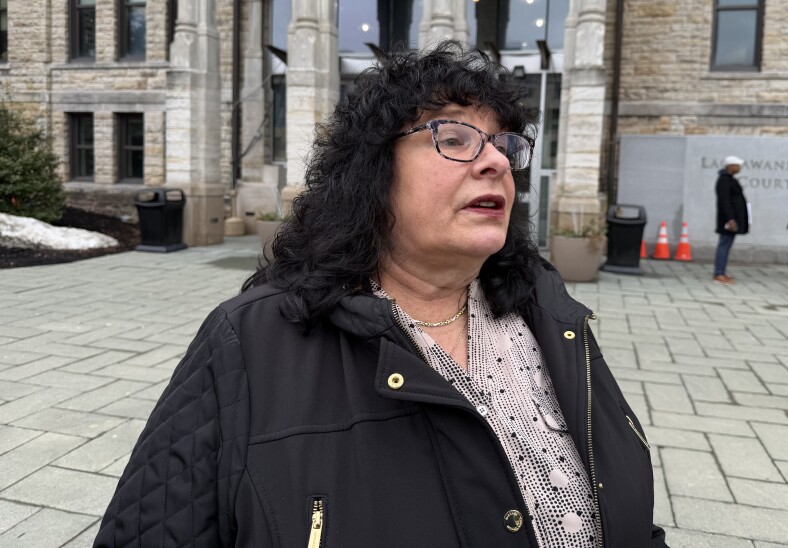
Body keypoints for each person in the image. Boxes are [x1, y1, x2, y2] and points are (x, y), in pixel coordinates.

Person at [94, 43, 667, 547]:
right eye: (456, 137)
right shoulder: (248, 343)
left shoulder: (551, 315)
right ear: (372, 171)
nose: (496, 161)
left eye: (504, 145)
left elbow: (632, 518)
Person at [713, 155, 749, 284]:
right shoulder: (724, 180)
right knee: (724, 245)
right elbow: (724, 201)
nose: (739, 168)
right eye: (737, 165)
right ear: (731, 166)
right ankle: (719, 273)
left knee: (726, 245)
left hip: (733, 219)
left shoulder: (730, 179)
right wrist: (730, 219)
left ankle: (721, 272)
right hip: (728, 221)